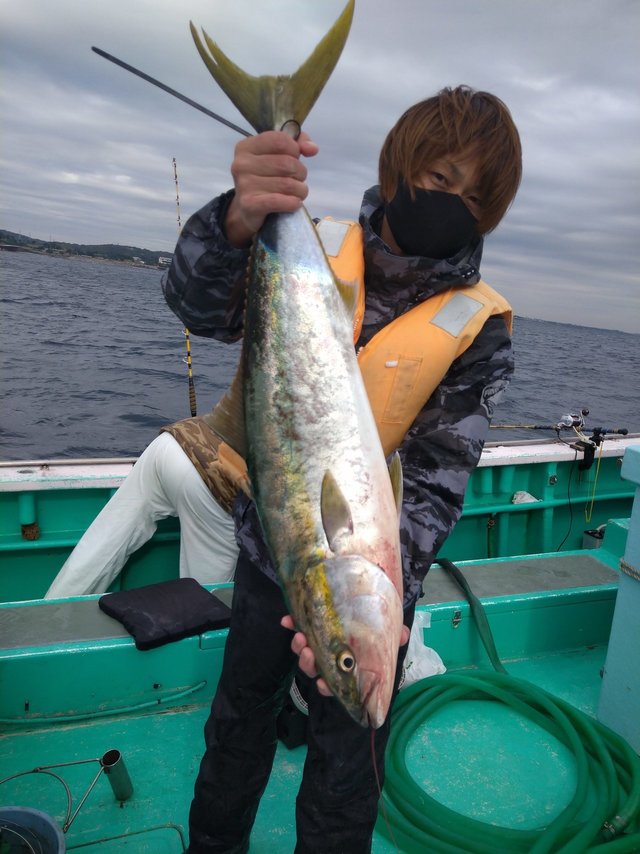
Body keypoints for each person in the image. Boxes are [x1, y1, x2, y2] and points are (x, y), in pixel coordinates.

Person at [162, 85, 522, 853]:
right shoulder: (314, 246)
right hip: (269, 559)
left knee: (347, 775)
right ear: (398, 169)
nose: (452, 205)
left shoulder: (476, 325)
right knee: (236, 729)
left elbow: (435, 480)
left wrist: (374, 615)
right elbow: (194, 305)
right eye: (440, 179)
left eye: (473, 199)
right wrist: (237, 218)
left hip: (374, 583)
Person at [44, 426, 241, 598]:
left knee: (104, 544)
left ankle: (51, 612)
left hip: (173, 443)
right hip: (214, 478)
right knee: (208, 597)